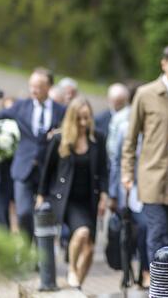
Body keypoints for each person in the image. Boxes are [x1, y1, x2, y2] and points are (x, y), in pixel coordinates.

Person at [122, 45, 168, 263]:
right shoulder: (145, 94)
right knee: (157, 232)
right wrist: (127, 172)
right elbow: (131, 138)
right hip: (151, 177)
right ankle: (158, 287)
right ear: (164, 65)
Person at [0, 67, 66, 240]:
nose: (33, 90)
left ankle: (44, 253)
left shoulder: (60, 110)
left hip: (48, 169)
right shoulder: (21, 106)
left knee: (46, 215)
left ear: (49, 86)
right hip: (24, 168)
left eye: (38, 86)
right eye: (31, 86)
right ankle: (28, 248)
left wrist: (59, 135)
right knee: (24, 213)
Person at [37, 98, 108, 288]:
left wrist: (104, 196)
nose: (84, 123)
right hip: (67, 199)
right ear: (72, 118)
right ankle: (72, 270)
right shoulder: (60, 139)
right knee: (82, 233)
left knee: (90, 249)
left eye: (87, 118)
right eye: (79, 119)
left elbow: (103, 170)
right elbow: (48, 170)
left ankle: (77, 286)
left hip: (90, 199)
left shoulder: (98, 138)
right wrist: (41, 195)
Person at [107, 82, 150, 286]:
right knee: (127, 233)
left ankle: (145, 269)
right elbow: (116, 159)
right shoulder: (124, 125)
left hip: (148, 186)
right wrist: (113, 193)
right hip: (128, 187)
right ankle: (127, 271)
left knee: (144, 228)